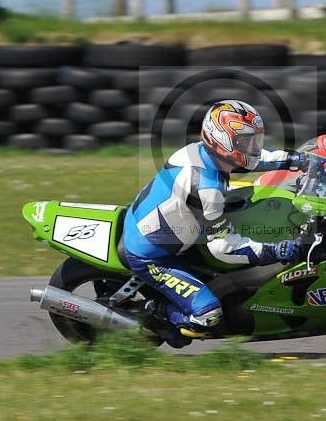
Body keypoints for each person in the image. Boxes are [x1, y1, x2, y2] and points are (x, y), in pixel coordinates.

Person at [123, 100, 306, 346]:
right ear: (223, 140)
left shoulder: (202, 152)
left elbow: (259, 158)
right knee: (207, 316)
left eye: (254, 139)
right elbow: (224, 248)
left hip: (165, 225)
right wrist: (276, 250)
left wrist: (299, 160)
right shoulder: (206, 187)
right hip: (153, 254)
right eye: (244, 141)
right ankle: (156, 313)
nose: (252, 147)